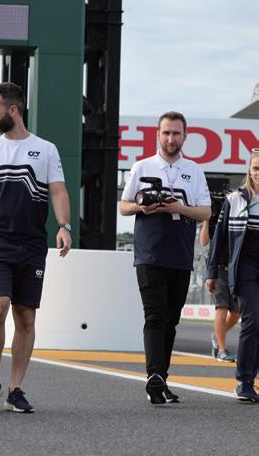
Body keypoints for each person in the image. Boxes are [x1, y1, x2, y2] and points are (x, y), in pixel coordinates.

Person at [0, 82, 72, 413]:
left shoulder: (46, 150)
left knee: (26, 316)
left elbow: (58, 191)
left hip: (32, 244)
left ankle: (15, 389)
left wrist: (64, 226)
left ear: (13, 110)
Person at [120, 111, 211, 405]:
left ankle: (161, 379)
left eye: (176, 133)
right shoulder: (142, 166)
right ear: (157, 135)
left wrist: (179, 207)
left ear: (185, 136)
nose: (171, 138)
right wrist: (141, 207)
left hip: (180, 255)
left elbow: (205, 212)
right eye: (166, 133)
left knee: (171, 320)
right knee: (155, 315)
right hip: (149, 254)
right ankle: (154, 375)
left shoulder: (194, 171)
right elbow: (123, 206)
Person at [206, 149, 259, 403]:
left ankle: (251, 377)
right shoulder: (235, 200)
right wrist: (211, 271)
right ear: (249, 170)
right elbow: (218, 239)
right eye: (256, 168)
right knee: (253, 320)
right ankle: (244, 382)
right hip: (245, 268)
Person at [199, 187, 239, 362]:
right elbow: (204, 241)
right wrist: (207, 218)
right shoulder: (214, 218)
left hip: (236, 269)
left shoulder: (240, 215)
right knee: (221, 308)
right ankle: (222, 350)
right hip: (219, 268)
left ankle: (217, 336)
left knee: (236, 313)